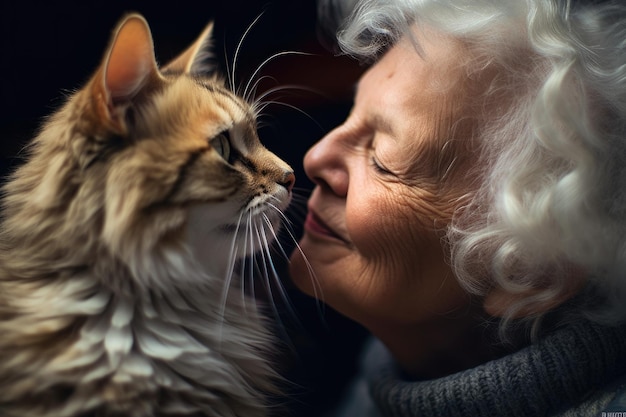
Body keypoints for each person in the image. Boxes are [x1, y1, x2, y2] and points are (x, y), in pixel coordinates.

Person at [288, 0, 626, 415]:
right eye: (350, 117)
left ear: (530, 271)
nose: (313, 158)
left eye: (383, 160)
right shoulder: (394, 366)